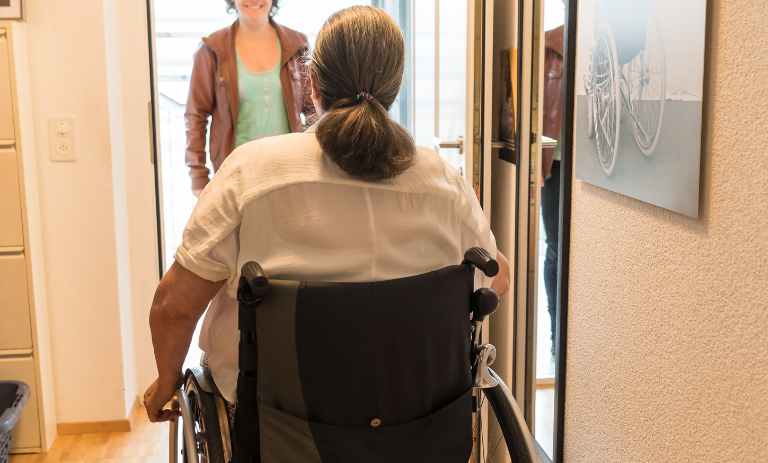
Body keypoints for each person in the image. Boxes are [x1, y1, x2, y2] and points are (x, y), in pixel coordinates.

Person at [144, 5, 511, 424]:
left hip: (278, 425)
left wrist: (164, 383)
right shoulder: (444, 182)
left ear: (312, 85)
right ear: (395, 87)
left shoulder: (250, 173)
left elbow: (173, 306)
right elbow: (496, 279)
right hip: (414, 422)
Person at [185, 0, 316, 197]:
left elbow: (314, 109)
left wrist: (314, 161)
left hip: (289, 170)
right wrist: (198, 176)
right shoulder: (212, 50)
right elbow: (196, 116)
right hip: (235, 174)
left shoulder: (298, 45)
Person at [541, 24, 564, 358]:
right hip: (556, 163)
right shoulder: (548, 44)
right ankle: (556, 335)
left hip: (593, 167)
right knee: (556, 249)